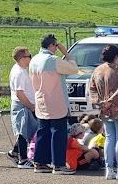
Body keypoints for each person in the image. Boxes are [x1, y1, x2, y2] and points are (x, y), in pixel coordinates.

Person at [28, 34, 79, 174]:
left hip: (41, 100)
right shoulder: (53, 60)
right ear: (51, 45)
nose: (57, 48)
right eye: (56, 46)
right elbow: (74, 69)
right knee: (58, 133)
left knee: (43, 132)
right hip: (56, 101)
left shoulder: (34, 60)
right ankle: (59, 165)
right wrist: (66, 53)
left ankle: (40, 162)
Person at [89, 44, 118, 181]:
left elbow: (91, 88)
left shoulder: (97, 70)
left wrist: (100, 102)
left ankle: (109, 170)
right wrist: (111, 100)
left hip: (104, 110)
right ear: (116, 57)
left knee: (109, 138)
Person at [8, 46, 38, 169]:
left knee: (28, 129)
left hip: (26, 104)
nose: (30, 58)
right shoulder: (18, 73)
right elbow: (19, 93)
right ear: (21, 58)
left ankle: (14, 152)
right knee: (22, 131)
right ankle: (23, 159)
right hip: (23, 105)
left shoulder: (22, 69)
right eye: (28, 56)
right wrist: (30, 106)